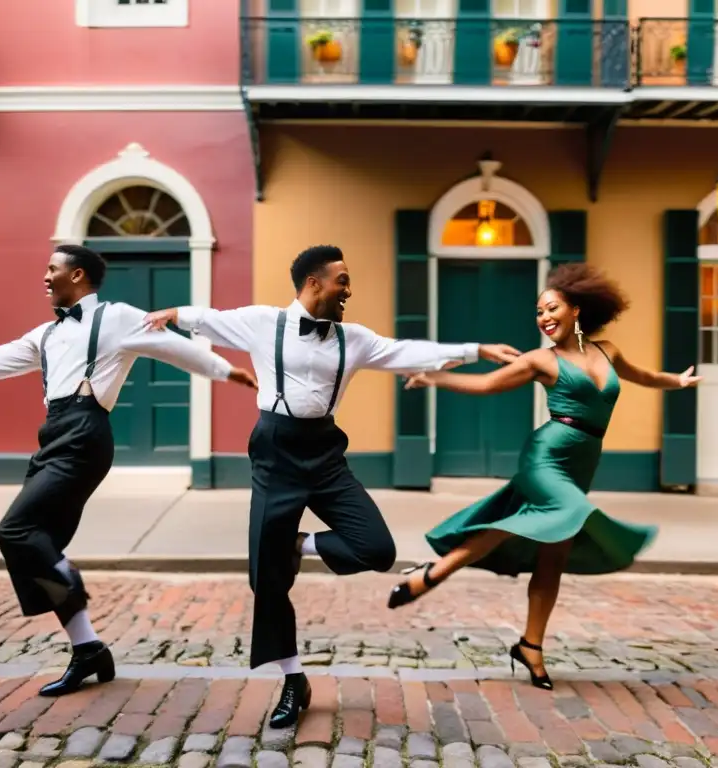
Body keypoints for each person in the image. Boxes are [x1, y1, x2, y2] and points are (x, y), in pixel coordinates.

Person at [142, 244, 521, 728]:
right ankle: (292, 679)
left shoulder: (355, 339)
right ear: (314, 283)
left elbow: (407, 352)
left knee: (377, 548)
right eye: (342, 280)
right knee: (267, 579)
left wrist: (475, 351)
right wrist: (170, 315)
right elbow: (210, 319)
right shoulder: (264, 322)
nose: (349, 289)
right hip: (275, 453)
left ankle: (301, 543)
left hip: (324, 454)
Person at [0, 244, 256, 698]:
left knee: (16, 531)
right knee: (37, 549)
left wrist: (226, 371)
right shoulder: (46, 335)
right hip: (55, 435)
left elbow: (173, 347)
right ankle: (88, 649)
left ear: (77, 276)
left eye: (52, 269)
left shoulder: (116, 317)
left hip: (85, 434)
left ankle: (68, 580)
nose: (44, 277)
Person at [386, 262, 702, 690]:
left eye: (551, 308)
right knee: (557, 514)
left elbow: (644, 377)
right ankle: (433, 573)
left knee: (554, 554)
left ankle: (531, 646)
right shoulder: (541, 360)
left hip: (583, 462)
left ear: (577, 309)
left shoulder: (608, 351)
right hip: (547, 456)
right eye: (539, 312)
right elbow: (487, 385)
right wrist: (433, 377)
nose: (544, 318)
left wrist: (677, 382)